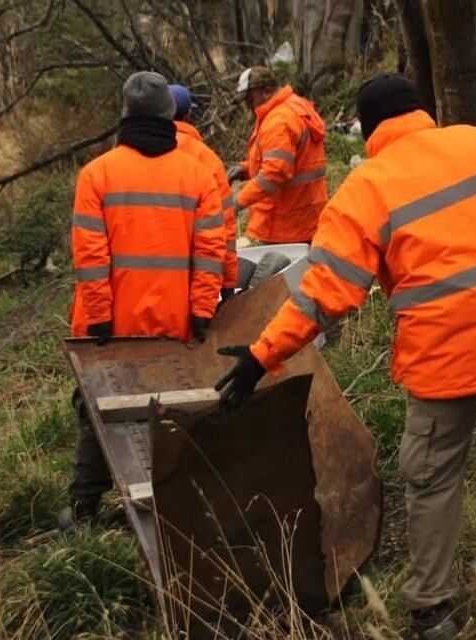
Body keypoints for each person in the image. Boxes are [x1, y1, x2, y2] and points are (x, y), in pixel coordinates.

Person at [214, 73, 476, 639]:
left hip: (447, 351)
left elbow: (325, 294)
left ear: (367, 128)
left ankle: (432, 606)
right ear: (422, 112)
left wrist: (262, 355)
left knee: (433, 473)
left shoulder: (368, 188)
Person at [60, 71, 225, 529]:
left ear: (125, 114)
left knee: (97, 409)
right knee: (172, 410)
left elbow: (91, 259)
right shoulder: (197, 174)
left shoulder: (97, 175)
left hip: (112, 325)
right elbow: (210, 255)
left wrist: (97, 323)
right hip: (175, 322)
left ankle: (83, 509)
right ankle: (182, 504)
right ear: (171, 115)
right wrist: (200, 314)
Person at [227, 66, 327, 245]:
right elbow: (288, 161)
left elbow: (275, 173)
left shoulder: (277, 121)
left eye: (250, 99)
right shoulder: (295, 105)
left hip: (288, 223)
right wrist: (246, 169)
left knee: (285, 273)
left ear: (266, 91)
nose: (248, 106)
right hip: (305, 213)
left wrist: (237, 202)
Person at [169, 84, 238, 302]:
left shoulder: (132, 154)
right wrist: (228, 284)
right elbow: (223, 226)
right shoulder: (206, 158)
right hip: (194, 284)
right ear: (189, 114)